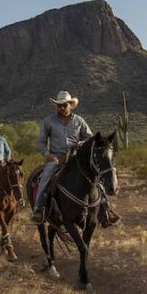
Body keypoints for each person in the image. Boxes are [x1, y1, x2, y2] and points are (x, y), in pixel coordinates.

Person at [31, 90, 94, 222]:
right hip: (56, 158)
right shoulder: (48, 121)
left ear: (70, 105)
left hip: (76, 157)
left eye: (64, 105)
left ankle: (104, 208)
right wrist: (47, 154)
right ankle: (38, 209)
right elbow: (41, 142)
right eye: (59, 105)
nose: (61, 107)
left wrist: (83, 142)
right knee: (45, 178)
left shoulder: (79, 120)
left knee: (94, 176)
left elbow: (90, 137)